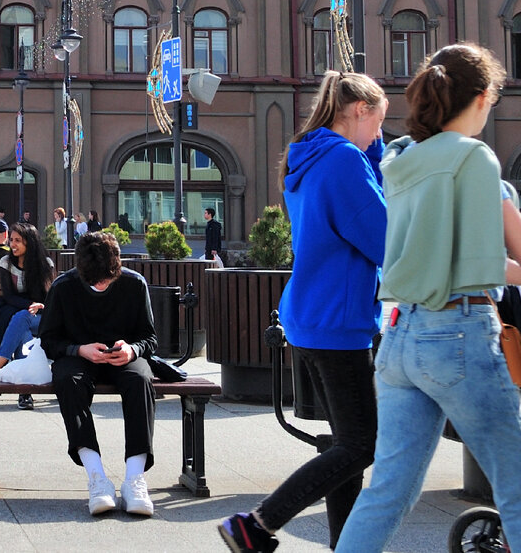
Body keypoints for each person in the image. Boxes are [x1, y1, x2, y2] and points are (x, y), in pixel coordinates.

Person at [334, 45, 521, 552]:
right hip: (460, 331)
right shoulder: (473, 157)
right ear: (483, 98)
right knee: (517, 484)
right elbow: (486, 262)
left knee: (388, 492)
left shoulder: (401, 159)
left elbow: (438, 251)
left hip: (399, 338)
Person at [219, 70, 388, 552]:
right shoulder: (343, 163)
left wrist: (369, 159)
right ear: (359, 111)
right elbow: (382, 239)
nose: (379, 136)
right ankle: (257, 523)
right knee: (360, 445)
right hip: (339, 319)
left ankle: (343, 545)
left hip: (310, 314)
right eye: (377, 125)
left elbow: (346, 215)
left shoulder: (313, 157)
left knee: (345, 445)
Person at [39, 231, 158, 517]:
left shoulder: (134, 283)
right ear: (80, 270)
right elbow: (48, 339)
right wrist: (79, 349)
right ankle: (96, 476)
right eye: (95, 281)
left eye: (108, 278)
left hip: (123, 357)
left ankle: (134, 478)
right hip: (78, 357)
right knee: (68, 380)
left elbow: (150, 338)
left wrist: (132, 349)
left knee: (141, 380)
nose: (102, 284)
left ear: (117, 267)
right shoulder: (63, 287)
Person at [0, 222, 55, 409]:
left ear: (29, 243)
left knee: (22, 318)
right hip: (19, 313)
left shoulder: (45, 264)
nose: (12, 244)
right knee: (23, 330)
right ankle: (25, 393)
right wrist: (30, 305)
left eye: (18, 241)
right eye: (11, 240)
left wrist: (40, 306)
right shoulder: (6, 262)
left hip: (42, 317)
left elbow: (52, 299)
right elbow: (9, 295)